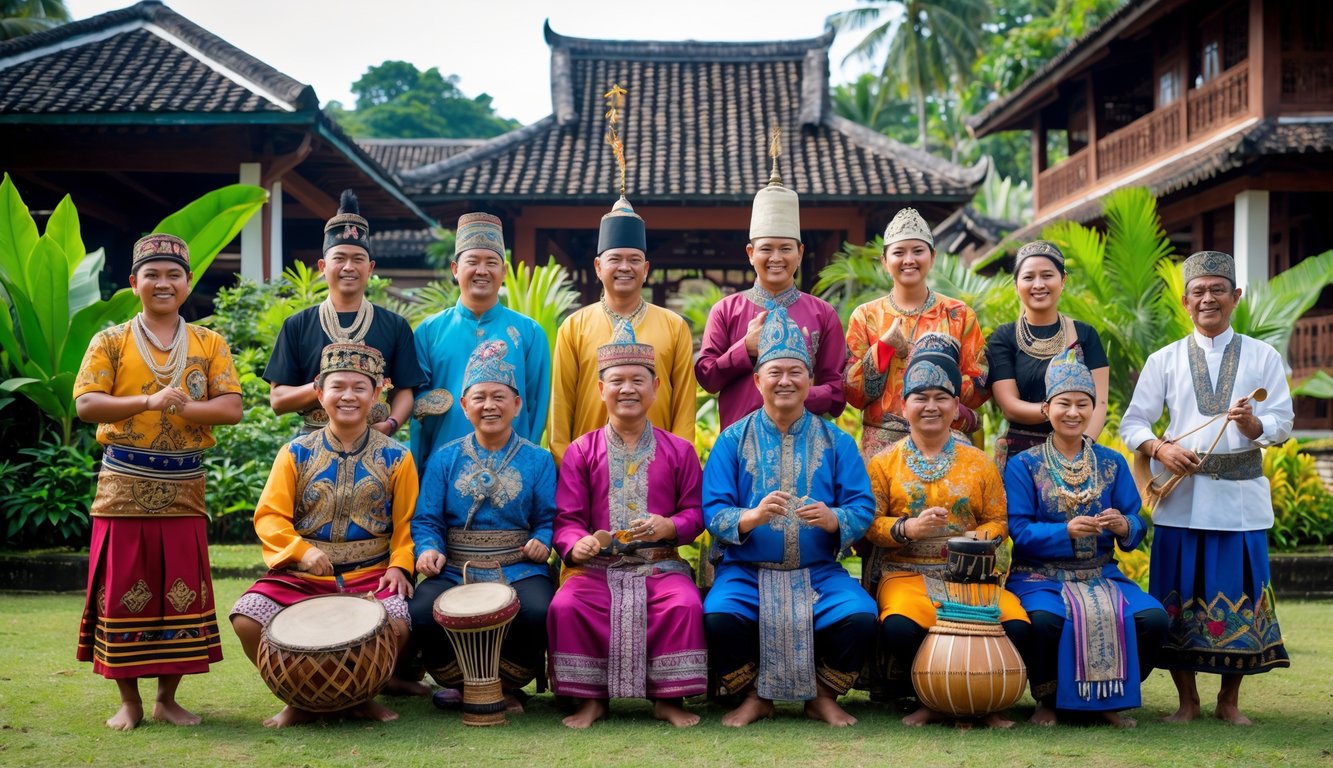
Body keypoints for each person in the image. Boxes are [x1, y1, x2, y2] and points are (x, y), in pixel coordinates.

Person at [73, 233, 243, 730]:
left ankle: (168, 698)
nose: (163, 283)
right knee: (123, 585)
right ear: (134, 283)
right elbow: (87, 404)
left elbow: (230, 407)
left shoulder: (209, 343)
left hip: (183, 486)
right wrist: (147, 402)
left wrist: (184, 406)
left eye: (174, 275)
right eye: (153, 275)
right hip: (123, 482)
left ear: (188, 284)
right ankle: (128, 701)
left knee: (180, 590)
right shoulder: (110, 340)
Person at [1120, 250, 1293, 725]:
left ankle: (1228, 702)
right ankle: (1187, 701)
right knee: (1178, 599)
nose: (1208, 299)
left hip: (1241, 503)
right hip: (1182, 499)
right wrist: (1158, 449)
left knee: (1237, 596)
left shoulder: (1264, 357)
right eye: (1198, 291)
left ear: (1236, 296)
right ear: (1184, 300)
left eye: (1218, 289)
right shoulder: (1165, 360)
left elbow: (1283, 420)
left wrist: (1257, 425)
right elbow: (1132, 422)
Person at [702, 308, 876, 728]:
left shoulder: (837, 442)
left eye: (795, 371)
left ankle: (823, 694)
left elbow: (862, 506)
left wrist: (834, 519)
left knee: (861, 616)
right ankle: (754, 696)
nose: (785, 381)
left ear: (810, 380)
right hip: (747, 571)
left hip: (819, 573)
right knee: (718, 617)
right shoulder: (731, 439)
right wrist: (753, 516)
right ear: (758, 379)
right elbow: (714, 510)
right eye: (774, 371)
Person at [230, 343, 420, 728]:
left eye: (359, 387)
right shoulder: (295, 453)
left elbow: (407, 525)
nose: (348, 396)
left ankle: (362, 698)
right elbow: (269, 516)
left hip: (371, 573)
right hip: (304, 575)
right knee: (248, 617)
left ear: (377, 393)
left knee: (398, 621)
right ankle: (299, 698)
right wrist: (300, 551)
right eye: (338, 387)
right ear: (319, 392)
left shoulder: (398, 457)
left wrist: (400, 566)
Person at [546, 322, 708, 729]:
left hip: (660, 566)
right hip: (596, 569)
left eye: (638, 380)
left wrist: (669, 527)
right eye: (617, 381)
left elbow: (696, 513)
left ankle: (668, 700)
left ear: (655, 387)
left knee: (683, 604)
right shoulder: (581, 451)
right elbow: (566, 519)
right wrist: (576, 544)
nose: (627, 389)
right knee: (568, 605)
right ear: (601, 390)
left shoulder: (680, 450)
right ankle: (590, 700)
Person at [864, 333, 1030, 728]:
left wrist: (979, 538)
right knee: (902, 627)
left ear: (957, 407)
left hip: (968, 576)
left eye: (941, 397)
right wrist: (908, 528)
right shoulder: (883, 464)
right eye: (920, 398)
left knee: (1017, 626)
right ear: (905, 407)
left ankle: (983, 701)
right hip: (905, 572)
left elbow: (999, 521)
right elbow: (870, 524)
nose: (930, 406)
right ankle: (935, 700)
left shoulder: (978, 463)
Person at [1004, 348, 1168, 727]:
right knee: (1045, 620)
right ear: (1046, 409)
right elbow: (1020, 530)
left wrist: (1124, 526)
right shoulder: (1023, 464)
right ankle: (1047, 700)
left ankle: (1108, 698)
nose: (1073, 412)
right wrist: (1066, 531)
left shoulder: (1111, 462)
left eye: (1083, 404)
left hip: (1100, 572)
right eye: (1064, 403)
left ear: (1094, 409)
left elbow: (1136, 518)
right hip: (1039, 574)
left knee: (1152, 619)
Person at [408, 339, 556, 712]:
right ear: (464, 405)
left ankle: (506, 685)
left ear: (517, 404)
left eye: (499, 397)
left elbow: (549, 518)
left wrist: (542, 540)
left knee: (539, 610)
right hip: (457, 566)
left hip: (518, 566)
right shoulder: (445, 458)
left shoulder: (538, 460)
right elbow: (427, 519)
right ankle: (461, 682)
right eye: (479, 398)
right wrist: (428, 548)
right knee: (422, 610)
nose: (489, 406)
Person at [695, 133, 846, 428]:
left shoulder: (823, 314)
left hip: (806, 445)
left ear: (800, 253)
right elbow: (707, 377)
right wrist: (744, 349)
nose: (776, 257)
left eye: (785, 248)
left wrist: (795, 396)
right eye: (766, 249)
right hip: (738, 447)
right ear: (751, 253)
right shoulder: (726, 310)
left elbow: (838, 393)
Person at [264, 189, 424, 437]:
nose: (348, 267)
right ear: (323, 267)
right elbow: (278, 399)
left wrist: (391, 425)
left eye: (358, 259)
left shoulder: (394, 325)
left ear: (370, 268)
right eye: (339, 258)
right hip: (313, 442)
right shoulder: (297, 325)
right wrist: (327, 385)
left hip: (375, 439)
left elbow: (405, 390)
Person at [549, 197, 695, 466]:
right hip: (587, 471)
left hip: (659, 469)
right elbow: (561, 407)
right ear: (598, 266)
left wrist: (678, 467)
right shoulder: (574, 327)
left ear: (646, 269)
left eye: (634, 260)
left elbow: (684, 408)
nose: (625, 267)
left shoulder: (674, 326)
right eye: (615, 259)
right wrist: (569, 470)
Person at [844, 207, 989, 459]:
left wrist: (935, 371)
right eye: (899, 252)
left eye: (918, 251)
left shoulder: (959, 314)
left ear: (932, 257)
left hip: (945, 437)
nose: (908, 259)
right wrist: (883, 349)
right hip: (883, 442)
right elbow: (852, 393)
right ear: (884, 261)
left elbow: (980, 387)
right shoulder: (865, 316)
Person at [411, 213, 550, 469]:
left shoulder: (529, 333)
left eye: (491, 262)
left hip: (512, 470)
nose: (482, 271)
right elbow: (416, 409)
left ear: (504, 271)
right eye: (472, 261)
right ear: (455, 269)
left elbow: (536, 406)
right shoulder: (429, 332)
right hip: (443, 472)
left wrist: (526, 468)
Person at [986, 241, 1109, 473]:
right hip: (1020, 456)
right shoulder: (1004, 337)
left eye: (1047, 275)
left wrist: (1083, 445)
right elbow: (1010, 406)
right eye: (1029, 277)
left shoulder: (1086, 335)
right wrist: (1059, 412)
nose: (1039, 284)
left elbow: (1100, 402)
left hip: (1078, 451)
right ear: (1016, 285)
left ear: (1063, 280)